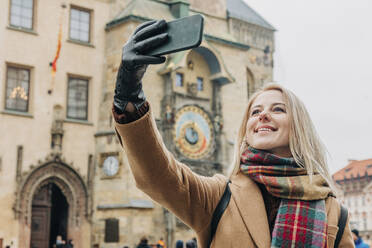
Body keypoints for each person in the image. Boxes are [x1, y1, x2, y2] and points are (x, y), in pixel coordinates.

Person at [112, 19, 355, 247]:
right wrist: (128, 95)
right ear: (246, 130)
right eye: (255, 111)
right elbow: (158, 175)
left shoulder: (334, 212)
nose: (262, 115)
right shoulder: (220, 196)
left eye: (278, 109)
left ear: (299, 127)